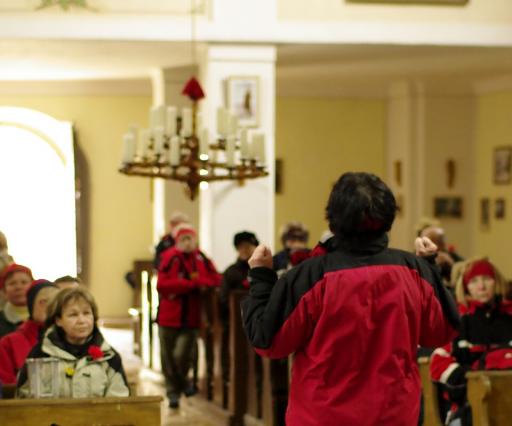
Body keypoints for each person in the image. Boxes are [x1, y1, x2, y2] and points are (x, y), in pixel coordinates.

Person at [242, 172, 459, 426]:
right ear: (388, 217)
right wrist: (429, 267)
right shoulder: (413, 270)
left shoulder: (311, 275)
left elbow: (269, 341)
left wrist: (261, 277)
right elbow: (441, 331)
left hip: (323, 416)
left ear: (333, 219)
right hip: (394, 414)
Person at [430, 258, 512, 425]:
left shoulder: (509, 315)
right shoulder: (458, 319)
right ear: (466, 286)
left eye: (486, 279)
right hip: (467, 403)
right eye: (474, 281)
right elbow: (438, 362)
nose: (481, 286)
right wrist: (471, 381)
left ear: (496, 282)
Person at [17, 287, 129, 398]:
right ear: (58, 320)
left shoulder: (109, 356)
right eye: (73, 315)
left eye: (86, 313)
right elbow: (24, 399)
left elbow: (118, 402)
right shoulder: (41, 354)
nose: (82, 320)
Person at [157, 223, 222, 408]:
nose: (187, 242)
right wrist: (191, 285)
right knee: (168, 357)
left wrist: (198, 282)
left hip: (192, 317)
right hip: (169, 316)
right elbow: (163, 285)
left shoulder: (201, 258)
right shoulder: (169, 257)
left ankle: (182, 384)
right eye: (183, 239)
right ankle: (174, 392)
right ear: (177, 241)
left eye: (190, 238)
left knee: (182, 356)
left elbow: (215, 279)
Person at [219, 231, 261, 409]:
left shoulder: (262, 269)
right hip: (236, 326)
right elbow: (223, 299)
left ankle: (257, 397)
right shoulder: (231, 272)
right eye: (242, 247)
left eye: (249, 246)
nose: (245, 250)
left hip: (258, 325)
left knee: (257, 366)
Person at [0, 279, 59, 385]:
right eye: (43, 301)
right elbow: (3, 384)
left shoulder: (72, 339)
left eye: (56, 302)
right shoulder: (9, 342)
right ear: (31, 305)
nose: (51, 307)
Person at [0, 264, 34, 341]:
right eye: (12, 283)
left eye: (24, 282)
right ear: (4, 291)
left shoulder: (42, 318)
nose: (18, 287)